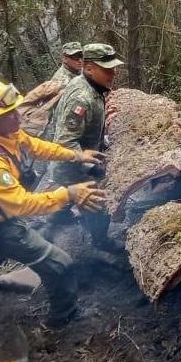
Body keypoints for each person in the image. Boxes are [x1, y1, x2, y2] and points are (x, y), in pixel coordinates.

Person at [0, 79, 108, 326]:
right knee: (59, 264)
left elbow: (36, 146)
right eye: (9, 112)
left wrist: (77, 155)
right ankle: (62, 318)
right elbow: (21, 204)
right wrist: (68, 194)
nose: (17, 115)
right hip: (0, 225)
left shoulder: (6, 133)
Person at [45, 43, 124, 250]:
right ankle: (99, 244)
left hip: (77, 163)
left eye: (114, 68)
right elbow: (65, 141)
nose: (113, 73)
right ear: (89, 68)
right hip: (73, 168)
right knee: (100, 204)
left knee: (64, 203)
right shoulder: (82, 97)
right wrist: (91, 168)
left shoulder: (92, 88)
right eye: (107, 69)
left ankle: (55, 221)